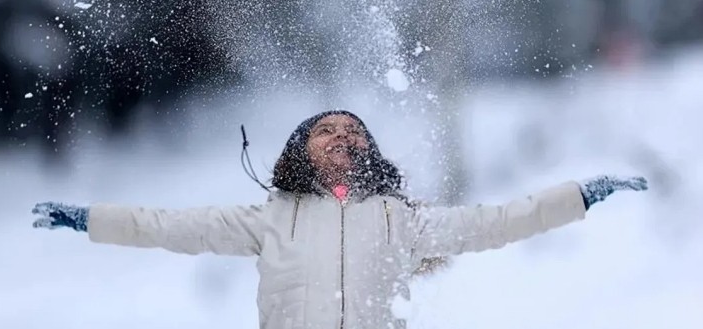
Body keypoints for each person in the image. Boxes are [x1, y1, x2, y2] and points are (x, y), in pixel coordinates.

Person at [32, 110, 648, 329]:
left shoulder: (401, 221)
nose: (341, 137)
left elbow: (497, 221)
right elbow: (165, 224)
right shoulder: (269, 218)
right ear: (300, 149)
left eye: (354, 131)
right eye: (325, 130)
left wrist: (580, 196)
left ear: (369, 151)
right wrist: (88, 219)